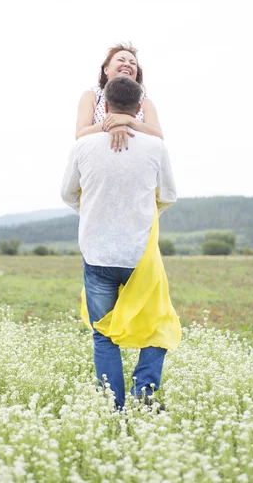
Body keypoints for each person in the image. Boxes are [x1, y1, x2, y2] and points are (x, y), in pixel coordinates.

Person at [61, 76, 180, 409]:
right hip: (140, 255)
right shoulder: (156, 147)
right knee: (160, 322)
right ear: (139, 108)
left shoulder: (82, 146)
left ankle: (114, 407)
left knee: (103, 334)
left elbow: (67, 193)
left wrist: (94, 211)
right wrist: (140, 213)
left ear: (106, 107)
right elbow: (169, 194)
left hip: (97, 252)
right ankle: (144, 391)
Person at [75, 43, 163, 152]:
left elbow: (158, 136)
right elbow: (80, 134)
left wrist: (129, 120)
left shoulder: (145, 103)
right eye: (121, 60)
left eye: (132, 63)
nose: (127, 64)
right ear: (106, 69)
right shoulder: (92, 96)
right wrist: (112, 123)